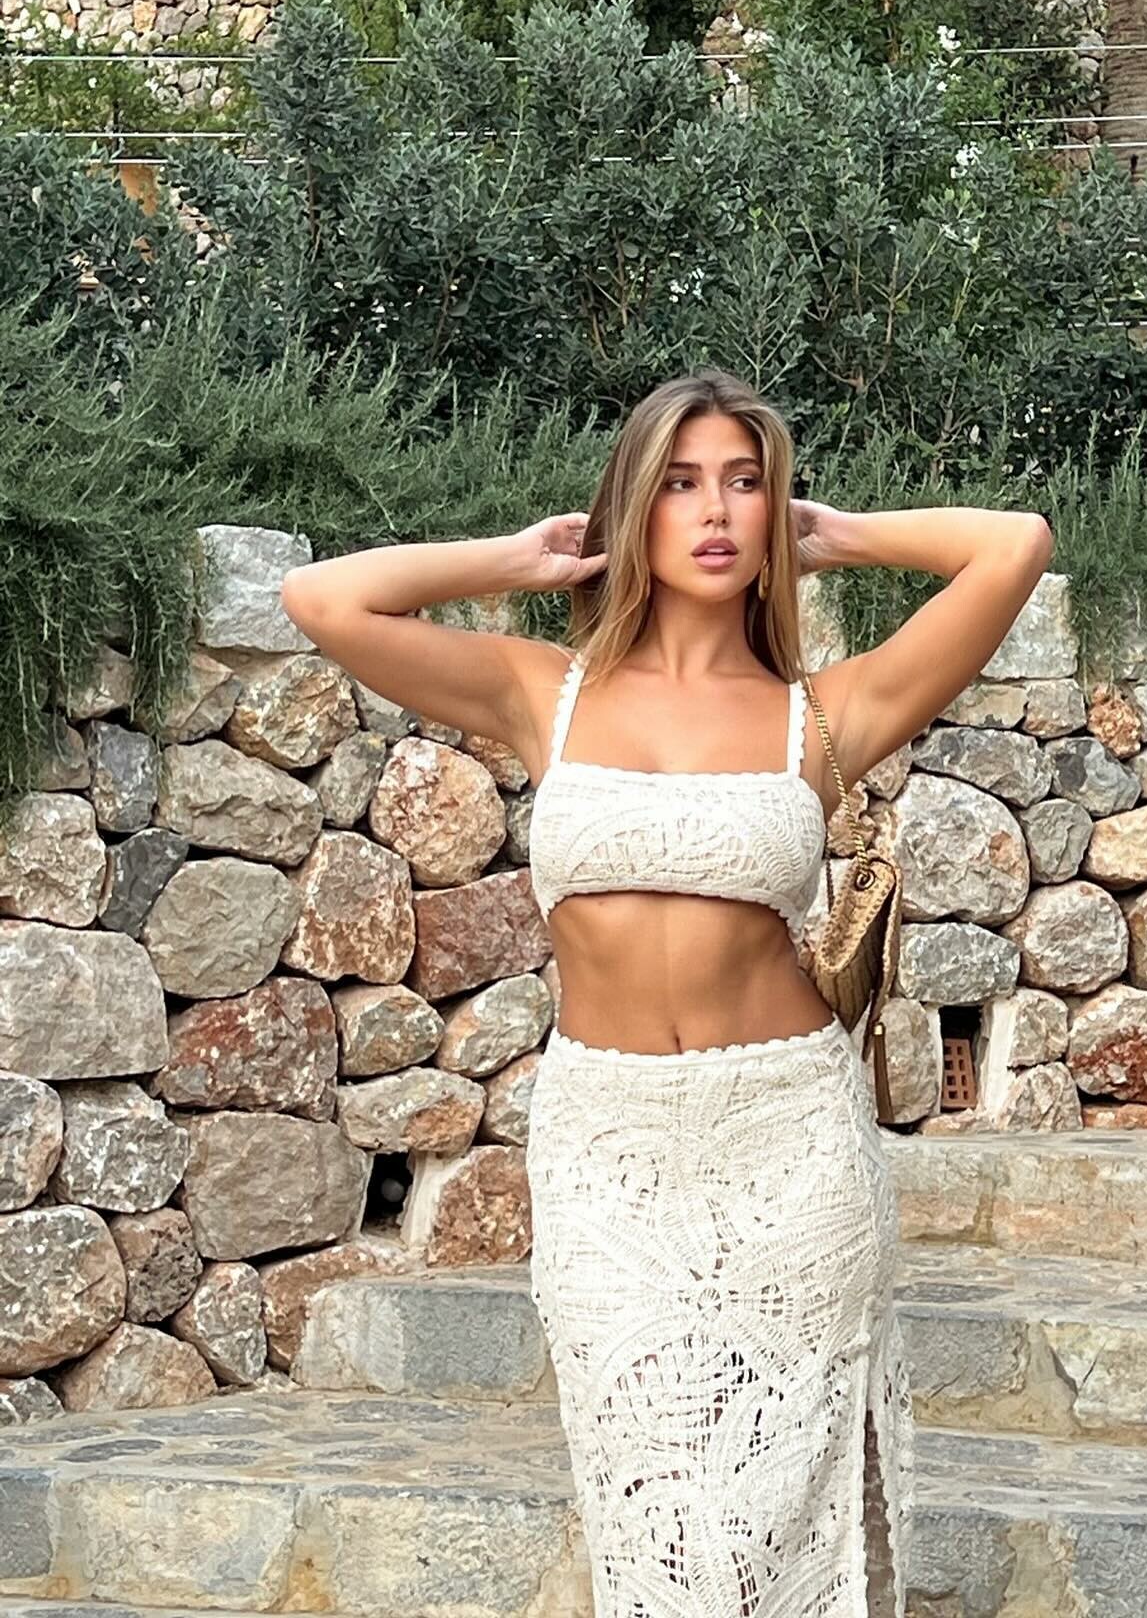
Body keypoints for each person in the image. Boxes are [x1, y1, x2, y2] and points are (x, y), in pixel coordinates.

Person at [280, 367, 1052, 1617]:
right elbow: (322, 599)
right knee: (653, 1515)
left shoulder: (823, 712)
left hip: (788, 1146)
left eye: (745, 484)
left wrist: (835, 535)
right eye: (682, 483)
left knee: (784, 1516)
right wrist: (519, 561)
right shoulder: (541, 691)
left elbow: (1013, 545)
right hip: (611, 1153)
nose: (717, 510)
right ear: (634, 507)